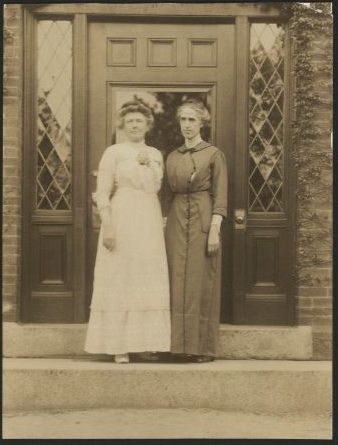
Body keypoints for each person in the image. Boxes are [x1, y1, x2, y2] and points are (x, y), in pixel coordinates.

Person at [85, 101, 171, 363]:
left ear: (148, 125)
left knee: (146, 274)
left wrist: (149, 165)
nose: (135, 125)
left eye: (140, 121)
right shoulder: (113, 152)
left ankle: (144, 342)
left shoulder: (156, 153)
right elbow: (102, 191)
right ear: (122, 125)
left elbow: (156, 185)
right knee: (120, 275)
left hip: (148, 216)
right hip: (122, 215)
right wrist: (108, 225)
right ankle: (118, 344)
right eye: (130, 121)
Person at [162, 99, 227, 363]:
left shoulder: (213, 154)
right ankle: (174, 345)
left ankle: (201, 348)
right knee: (175, 278)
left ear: (202, 123)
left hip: (202, 214)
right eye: (183, 120)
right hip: (177, 217)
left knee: (201, 279)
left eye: (192, 120)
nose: (187, 125)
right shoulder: (172, 156)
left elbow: (221, 195)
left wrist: (214, 230)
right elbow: (166, 195)